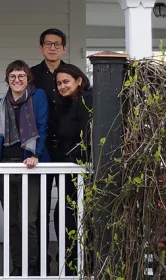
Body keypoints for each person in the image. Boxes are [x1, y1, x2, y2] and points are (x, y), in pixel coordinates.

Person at [0, 60, 50, 276]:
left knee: (28, 220)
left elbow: (42, 126)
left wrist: (34, 154)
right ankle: (16, 266)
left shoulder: (37, 97)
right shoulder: (0, 103)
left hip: (28, 166)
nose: (17, 80)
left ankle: (31, 267)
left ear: (28, 78)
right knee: (12, 221)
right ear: (7, 79)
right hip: (5, 167)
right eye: (12, 76)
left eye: (21, 76)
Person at [30, 28, 69, 271]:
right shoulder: (31, 75)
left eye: (57, 44)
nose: (52, 48)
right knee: (39, 210)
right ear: (41, 47)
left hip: (68, 150)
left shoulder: (72, 74)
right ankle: (41, 261)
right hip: (40, 151)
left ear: (64, 48)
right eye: (47, 44)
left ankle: (69, 261)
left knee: (68, 209)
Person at [53, 64, 92, 276]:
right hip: (69, 170)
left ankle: (80, 264)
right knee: (64, 215)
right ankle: (70, 262)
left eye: (66, 81)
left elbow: (88, 136)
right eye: (59, 83)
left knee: (75, 216)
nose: (62, 86)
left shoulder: (86, 100)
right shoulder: (65, 105)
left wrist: (78, 159)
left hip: (83, 170)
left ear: (79, 80)